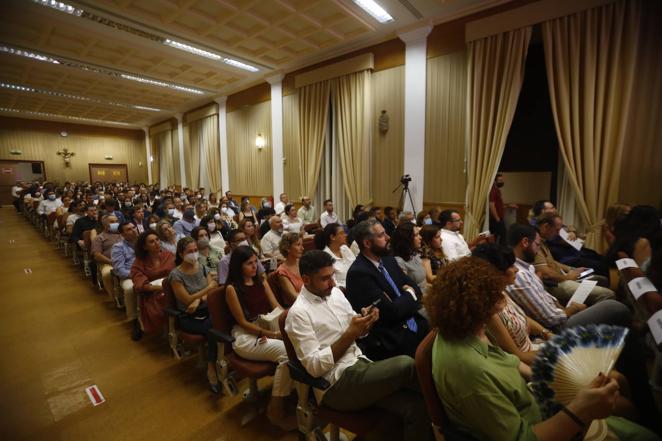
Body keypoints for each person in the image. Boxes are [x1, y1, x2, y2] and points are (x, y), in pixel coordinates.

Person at [424, 256, 658, 441]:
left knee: (622, 399)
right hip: (541, 427)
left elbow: (514, 363)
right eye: (496, 295)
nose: (503, 299)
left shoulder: (465, 330)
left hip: (539, 403)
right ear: (478, 304)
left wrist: (563, 374)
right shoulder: (468, 370)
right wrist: (581, 409)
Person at [285, 250, 431, 441]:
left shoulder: (335, 293)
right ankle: (454, 406)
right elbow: (314, 368)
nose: (333, 283)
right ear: (306, 279)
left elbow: (356, 329)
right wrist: (351, 333)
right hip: (335, 385)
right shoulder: (299, 314)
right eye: (325, 279)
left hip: (361, 364)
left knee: (417, 408)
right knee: (406, 364)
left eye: (333, 276)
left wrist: (365, 322)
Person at [506, 224, 630, 332]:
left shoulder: (527, 268)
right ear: (525, 242)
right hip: (559, 326)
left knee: (606, 291)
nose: (538, 250)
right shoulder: (519, 275)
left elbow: (546, 298)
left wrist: (565, 307)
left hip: (561, 313)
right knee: (615, 305)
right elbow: (551, 319)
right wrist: (574, 308)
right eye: (537, 245)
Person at [224, 246, 294, 429]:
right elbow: (243, 322)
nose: (255, 267)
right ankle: (275, 408)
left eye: (256, 262)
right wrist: (273, 335)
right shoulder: (232, 288)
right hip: (245, 336)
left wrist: (291, 321)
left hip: (265, 327)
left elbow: (277, 307)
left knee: (299, 342)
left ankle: (296, 395)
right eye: (249, 263)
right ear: (238, 266)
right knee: (287, 353)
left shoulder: (261, 281)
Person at [345, 219, 428, 361]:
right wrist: (409, 294)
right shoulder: (359, 273)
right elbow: (391, 313)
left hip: (413, 321)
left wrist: (406, 296)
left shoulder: (388, 260)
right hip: (390, 338)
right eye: (382, 235)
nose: (388, 237)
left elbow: (416, 289)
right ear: (367, 243)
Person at [472, 243, 554, 365]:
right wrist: (556, 351)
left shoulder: (500, 291)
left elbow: (522, 317)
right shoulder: (490, 310)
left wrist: (546, 333)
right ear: (495, 273)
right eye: (511, 266)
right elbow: (518, 357)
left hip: (534, 347)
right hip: (527, 364)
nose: (516, 269)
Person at [169, 236, 220, 394]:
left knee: (221, 321)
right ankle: (211, 367)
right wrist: (205, 291)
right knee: (214, 327)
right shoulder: (176, 275)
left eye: (195, 250)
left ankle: (221, 358)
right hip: (189, 317)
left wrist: (199, 299)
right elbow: (187, 300)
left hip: (206, 310)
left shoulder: (202, 267)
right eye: (190, 251)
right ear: (181, 253)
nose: (194, 254)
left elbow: (215, 287)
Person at [535, 215, 615, 305]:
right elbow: (546, 274)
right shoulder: (535, 243)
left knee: (603, 280)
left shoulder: (543, 241)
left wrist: (572, 269)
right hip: (556, 283)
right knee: (609, 294)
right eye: (557, 230)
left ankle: (589, 304)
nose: (558, 233)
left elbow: (552, 262)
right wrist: (568, 277)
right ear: (546, 227)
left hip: (563, 275)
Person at [130, 231, 175, 341]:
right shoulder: (139, 262)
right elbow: (140, 284)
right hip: (152, 293)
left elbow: (179, 271)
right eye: (151, 242)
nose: (156, 243)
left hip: (173, 287)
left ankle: (178, 329)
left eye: (157, 240)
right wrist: (162, 288)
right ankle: (169, 331)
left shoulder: (168, 255)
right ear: (145, 247)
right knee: (161, 306)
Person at [111, 222, 140, 336]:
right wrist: (136, 275)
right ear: (122, 234)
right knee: (130, 289)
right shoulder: (118, 247)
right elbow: (119, 270)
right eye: (129, 229)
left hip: (146, 272)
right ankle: (134, 320)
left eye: (134, 227)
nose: (133, 230)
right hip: (129, 275)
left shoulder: (144, 243)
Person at [91, 214, 122, 299]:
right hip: (108, 262)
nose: (115, 223)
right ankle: (114, 297)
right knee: (107, 274)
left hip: (124, 260)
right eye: (112, 222)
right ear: (104, 225)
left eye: (116, 221)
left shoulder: (123, 234)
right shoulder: (99, 238)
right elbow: (97, 255)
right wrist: (111, 261)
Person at [316, 223, 355, 289]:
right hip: (343, 291)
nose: (345, 235)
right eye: (341, 233)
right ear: (332, 237)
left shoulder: (345, 248)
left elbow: (355, 264)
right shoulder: (325, 257)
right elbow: (332, 283)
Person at [391, 222, 427, 292]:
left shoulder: (413, 254)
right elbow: (407, 289)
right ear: (407, 239)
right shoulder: (399, 261)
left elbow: (424, 283)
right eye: (416, 235)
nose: (420, 237)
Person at [273, 232, 304, 306]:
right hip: (297, 306)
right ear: (287, 248)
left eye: (302, 245)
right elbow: (294, 296)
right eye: (298, 245)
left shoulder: (303, 262)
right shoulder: (282, 272)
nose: (302, 248)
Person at [489, 173, 507, 245]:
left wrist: (508, 206)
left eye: (502, 180)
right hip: (496, 218)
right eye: (499, 180)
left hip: (498, 218)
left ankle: (495, 251)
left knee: (495, 235)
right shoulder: (493, 190)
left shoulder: (497, 190)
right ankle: (502, 252)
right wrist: (497, 219)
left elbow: (498, 205)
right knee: (503, 234)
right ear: (495, 181)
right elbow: (491, 205)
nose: (501, 182)